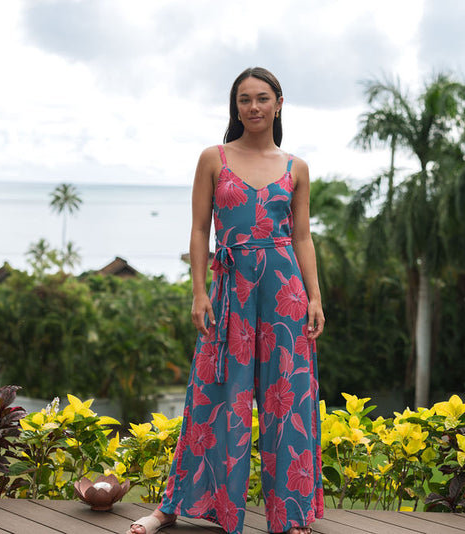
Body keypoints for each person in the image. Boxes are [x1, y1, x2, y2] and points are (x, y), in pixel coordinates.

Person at [128, 67, 325, 534]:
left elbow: (301, 237)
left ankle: (292, 517)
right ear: (234, 107)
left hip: (284, 292)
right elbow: (199, 229)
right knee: (213, 398)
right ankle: (170, 508)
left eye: (261, 98)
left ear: (279, 103)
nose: (252, 107)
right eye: (243, 100)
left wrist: (315, 297)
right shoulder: (213, 158)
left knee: (288, 401)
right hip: (230, 291)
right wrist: (198, 291)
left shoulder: (296, 167)